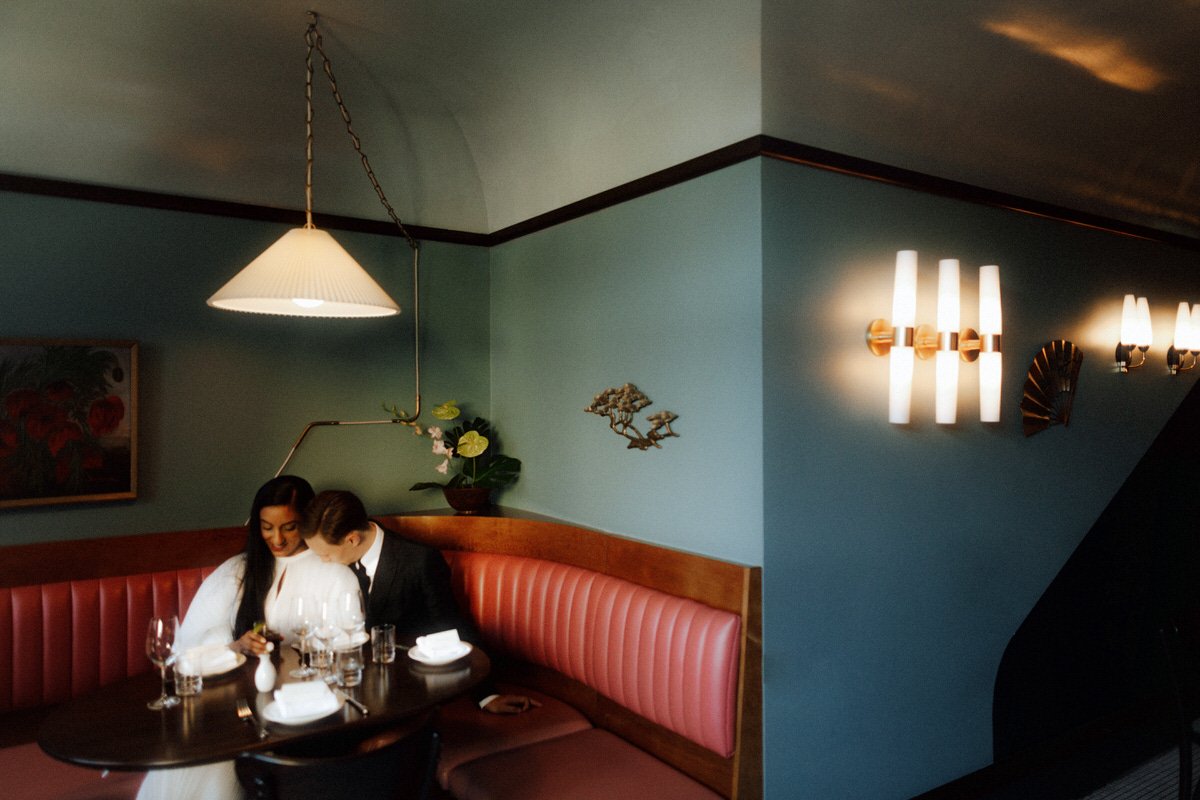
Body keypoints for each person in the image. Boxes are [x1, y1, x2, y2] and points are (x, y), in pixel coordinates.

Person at [137, 476, 360, 800]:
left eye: (289, 527)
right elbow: (186, 648)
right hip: (235, 708)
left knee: (219, 756)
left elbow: (348, 647)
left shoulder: (333, 572)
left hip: (303, 711)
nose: (277, 539)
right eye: (267, 527)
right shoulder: (236, 570)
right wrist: (235, 646)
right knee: (195, 748)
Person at [301, 489, 539, 715]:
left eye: (326, 554)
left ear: (352, 539)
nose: (323, 561)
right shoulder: (347, 558)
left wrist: (486, 695)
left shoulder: (419, 561)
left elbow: (451, 626)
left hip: (411, 688)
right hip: (359, 685)